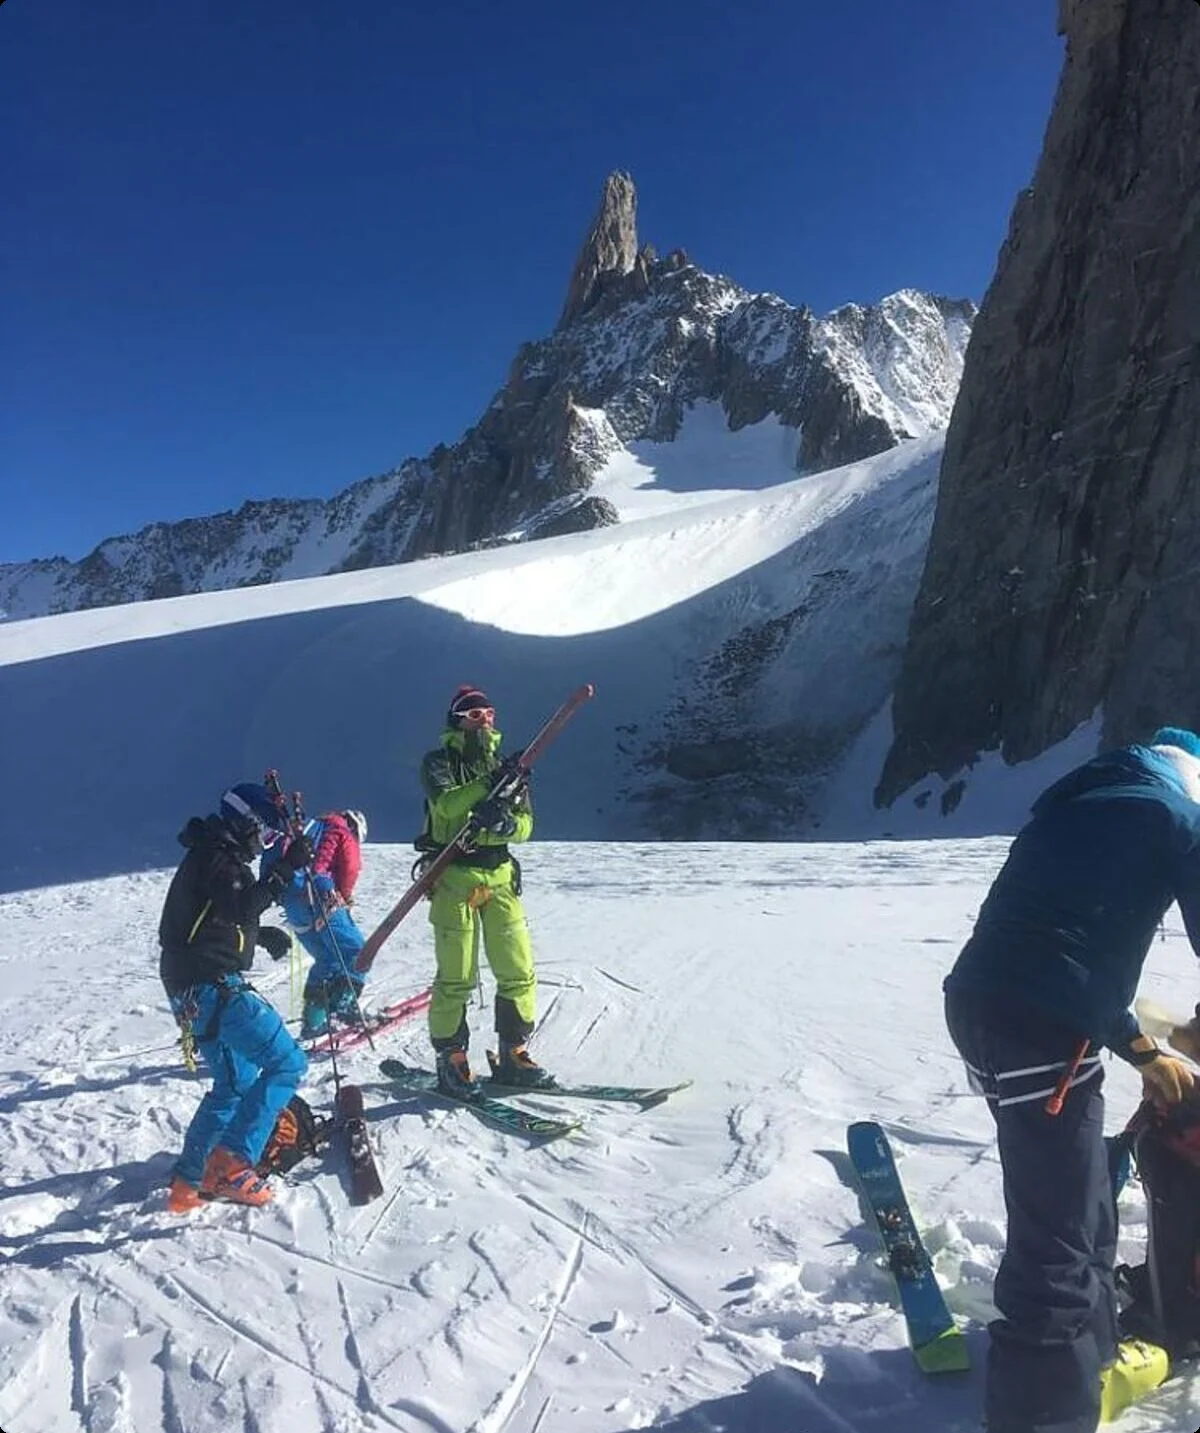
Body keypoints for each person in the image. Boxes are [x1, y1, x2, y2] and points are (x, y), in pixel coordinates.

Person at [943, 726, 1200, 1433]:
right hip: (1040, 1030)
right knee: (1057, 1238)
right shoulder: (1180, 818)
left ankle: (1089, 1360)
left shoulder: (1079, 805)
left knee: (1082, 1203)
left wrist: (1145, 1053)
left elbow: (1066, 953)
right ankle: (1044, 1413)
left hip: (979, 1007)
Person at [158, 782, 314, 1211]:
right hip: (213, 984)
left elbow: (214, 916)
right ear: (248, 823)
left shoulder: (209, 855)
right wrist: (285, 870)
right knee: (287, 1063)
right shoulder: (217, 857)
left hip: (190, 986)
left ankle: (189, 1182)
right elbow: (238, 907)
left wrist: (257, 934)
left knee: (234, 1084)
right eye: (266, 833)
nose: (265, 843)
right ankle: (232, 1163)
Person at [418, 685, 552, 1094]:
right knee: (457, 974)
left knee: (517, 968)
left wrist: (507, 824)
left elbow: (526, 824)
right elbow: (446, 805)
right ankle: (451, 1057)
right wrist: (487, 785)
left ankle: (513, 1051)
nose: (485, 720)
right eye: (475, 714)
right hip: (453, 875)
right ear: (457, 720)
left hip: (499, 877)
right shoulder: (439, 762)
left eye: (489, 713)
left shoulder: (507, 768)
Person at [262, 808, 370, 1038]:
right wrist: (344, 895)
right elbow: (350, 866)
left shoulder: (308, 829)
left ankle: (314, 1021)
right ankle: (344, 1006)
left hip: (293, 907)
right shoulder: (341, 830)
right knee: (357, 951)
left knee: (328, 959)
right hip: (321, 895)